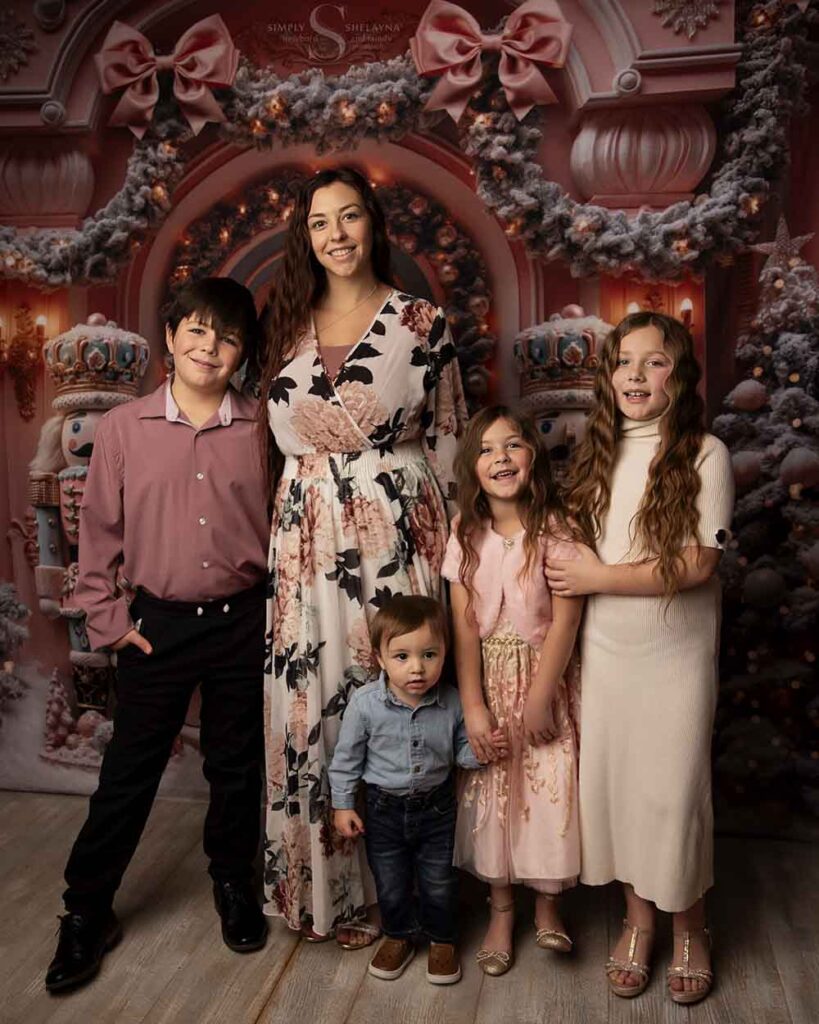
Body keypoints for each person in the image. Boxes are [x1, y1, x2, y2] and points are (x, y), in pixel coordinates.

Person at [259, 166, 467, 947]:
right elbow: (267, 445)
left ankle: (410, 900)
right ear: (304, 237)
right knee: (314, 708)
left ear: (373, 225)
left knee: (398, 692)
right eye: (319, 223)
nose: (335, 235)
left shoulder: (419, 319)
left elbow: (449, 436)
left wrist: (457, 556)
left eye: (349, 218)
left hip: (395, 530)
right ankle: (327, 895)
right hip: (304, 542)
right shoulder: (283, 319)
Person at [45, 278, 270, 994]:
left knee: (236, 771)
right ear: (171, 338)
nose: (211, 347)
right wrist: (111, 624)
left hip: (243, 621)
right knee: (127, 777)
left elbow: (287, 529)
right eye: (197, 331)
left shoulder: (263, 428)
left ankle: (234, 884)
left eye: (228, 336)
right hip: (157, 628)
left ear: (242, 353)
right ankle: (85, 912)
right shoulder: (123, 429)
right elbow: (96, 538)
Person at [546, 312, 734, 1005]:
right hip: (604, 653)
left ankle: (690, 927)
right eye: (623, 362)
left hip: (672, 655)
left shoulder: (702, 453)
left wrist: (599, 578)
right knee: (620, 788)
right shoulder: (595, 453)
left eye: (653, 362)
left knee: (673, 793)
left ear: (678, 377)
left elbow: (695, 563)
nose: (634, 374)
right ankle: (636, 921)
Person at [442, 406, 584, 977]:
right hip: (490, 685)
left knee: (547, 791)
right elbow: (463, 627)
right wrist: (473, 706)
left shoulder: (559, 526)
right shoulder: (464, 532)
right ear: (472, 467)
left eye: (514, 445)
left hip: (543, 679)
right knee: (493, 790)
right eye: (487, 449)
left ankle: (548, 905)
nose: (501, 458)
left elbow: (568, 620)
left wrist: (543, 695)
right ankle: (501, 910)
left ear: (533, 456)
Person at [329, 594, 493, 984]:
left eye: (429, 655)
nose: (417, 668)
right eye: (402, 656)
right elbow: (346, 759)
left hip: (436, 808)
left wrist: (484, 751)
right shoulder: (366, 704)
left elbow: (459, 753)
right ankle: (398, 934)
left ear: (444, 654)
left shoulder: (453, 702)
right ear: (380, 659)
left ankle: (442, 938)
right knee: (390, 880)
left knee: (439, 879)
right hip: (383, 810)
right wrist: (342, 805)